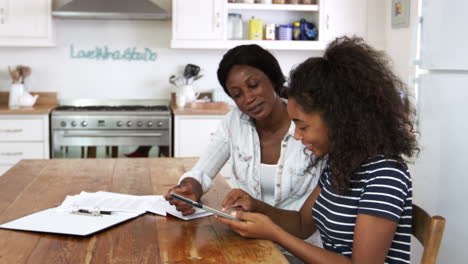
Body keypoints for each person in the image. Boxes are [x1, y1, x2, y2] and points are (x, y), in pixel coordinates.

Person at [217, 36, 419, 264]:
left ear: (338, 118)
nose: (297, 135)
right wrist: (256, 206)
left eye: (302, 126)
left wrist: (274, 234)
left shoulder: (384, 175)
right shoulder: (342, 163)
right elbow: (302, 224)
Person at [164, 44, 325, 251]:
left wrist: (258, 208)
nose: (248, 98)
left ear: (273, 79)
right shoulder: (234, 123)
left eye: (253, 85)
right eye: (237, 94)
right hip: (247, 244)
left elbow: (306, 222)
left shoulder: (310, 128)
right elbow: (202, 171)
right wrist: (189, 188)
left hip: (299, 250)